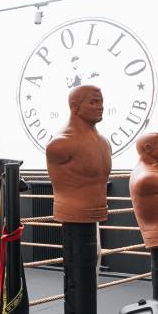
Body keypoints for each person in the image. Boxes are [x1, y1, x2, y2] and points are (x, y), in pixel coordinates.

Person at [45, 85, 110, 224]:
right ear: (75, 106)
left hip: (98, 214)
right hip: (72, 214)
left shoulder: (104, 142)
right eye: (93, 102)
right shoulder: (61, 144)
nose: (100, 107)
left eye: (101, 102)